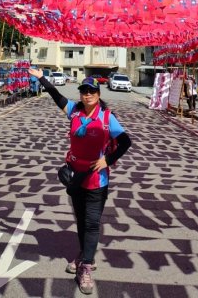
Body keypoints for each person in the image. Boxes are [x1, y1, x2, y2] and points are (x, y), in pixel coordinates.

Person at [28, 67, 131, 295]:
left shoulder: (107, 118)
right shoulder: (73, 111)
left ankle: (85, 266)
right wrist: (41, 79)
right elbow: (56, 96)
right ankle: (84, 255)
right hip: (75, 176)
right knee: (82, 221)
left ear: (98, 94)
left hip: (97, 178)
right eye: (84, 91)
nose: (87, 95)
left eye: (92, 91)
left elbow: (125, 142)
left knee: (92, 222)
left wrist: (108, 160)